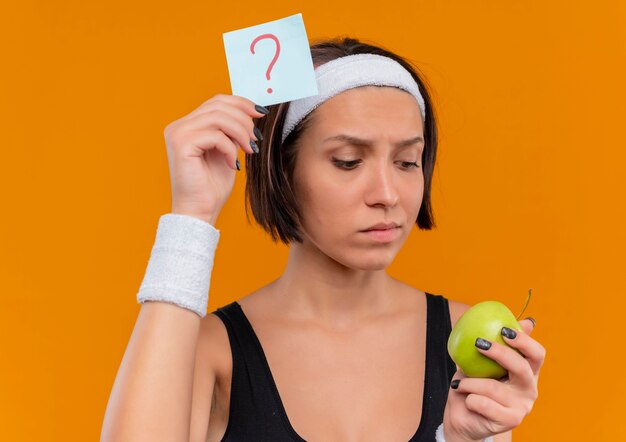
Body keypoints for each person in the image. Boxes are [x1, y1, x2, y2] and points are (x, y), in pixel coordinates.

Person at [101, 37, 545, 442]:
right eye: (349, 162)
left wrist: (462, 439)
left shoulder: (465, 342)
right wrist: (191, 216)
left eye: (407, 161)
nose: (388, 195)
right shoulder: (210, 351)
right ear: (283, 170)